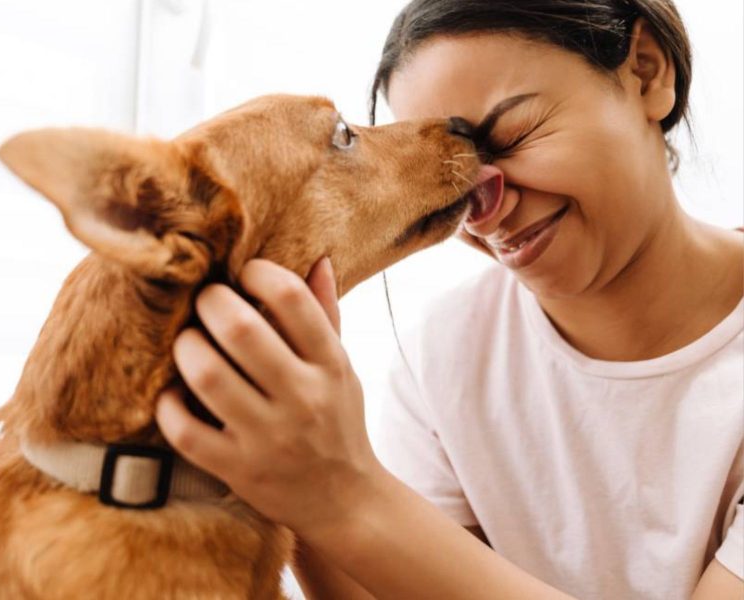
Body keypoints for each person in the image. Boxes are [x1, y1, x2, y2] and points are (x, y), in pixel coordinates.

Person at [154, 0, 744, 598]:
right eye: (456, 183)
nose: (485, 213)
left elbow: (361, 514)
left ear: (646, 70)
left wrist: (342, 488)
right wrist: (282, 457)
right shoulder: (448, 352)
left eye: (513, 135)